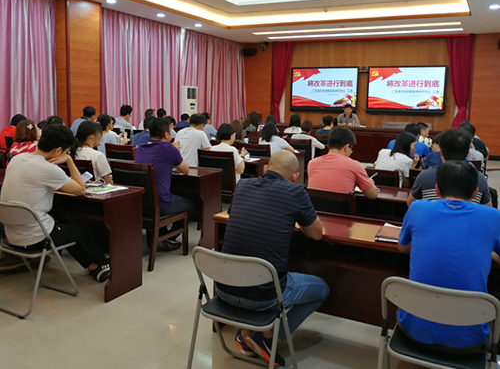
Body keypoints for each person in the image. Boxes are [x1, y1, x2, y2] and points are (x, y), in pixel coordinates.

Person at [216, 150, 329, 367]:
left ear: (266, 169)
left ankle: (245, 335)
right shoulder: (296, 192)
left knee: (250, 270)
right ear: (295, 177)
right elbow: (316, 234)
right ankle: (267, 337)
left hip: (224, 289)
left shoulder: (243, 185)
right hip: (263, 297)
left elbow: (235, 215)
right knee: (322, 289)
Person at [398, 161, 500, 354]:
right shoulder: (494, 216)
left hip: (414, 333)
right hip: (470, 343)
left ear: (437, 190)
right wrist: (487, 251)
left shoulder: (417, 208)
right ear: (475, 193)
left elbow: (403, 248)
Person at [0, 124, 110, 282]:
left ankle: (93, 268)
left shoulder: (17, 159)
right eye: (66, 152)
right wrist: (69, 160)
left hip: (11, 236)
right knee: (84, 229)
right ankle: (102, 264)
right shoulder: (47, 169)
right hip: (35, 239)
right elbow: (80, 189)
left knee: (64, 226)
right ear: (58, 151)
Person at [135, 118, 195, 252]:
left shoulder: (141, 147)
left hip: (142, 201)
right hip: (161, 202)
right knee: (191, 205)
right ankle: (167, 237)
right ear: (166, 134)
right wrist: (176, 151)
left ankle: (161, 235)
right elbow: (185, 170)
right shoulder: (169, 149)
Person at [407, 128, 491, 206]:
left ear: (441, 153)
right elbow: (488, 207)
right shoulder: (479, 178)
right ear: (467, 154)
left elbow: (410, 203)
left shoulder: (424, 176)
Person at [308, 127, 378, 199]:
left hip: (315, 206)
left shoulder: (312, 163)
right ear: (346, 147)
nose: (351, 152)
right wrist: (370, 183)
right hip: (341, 206)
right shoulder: (354, 165)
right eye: (351, 148)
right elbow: (372, 195)